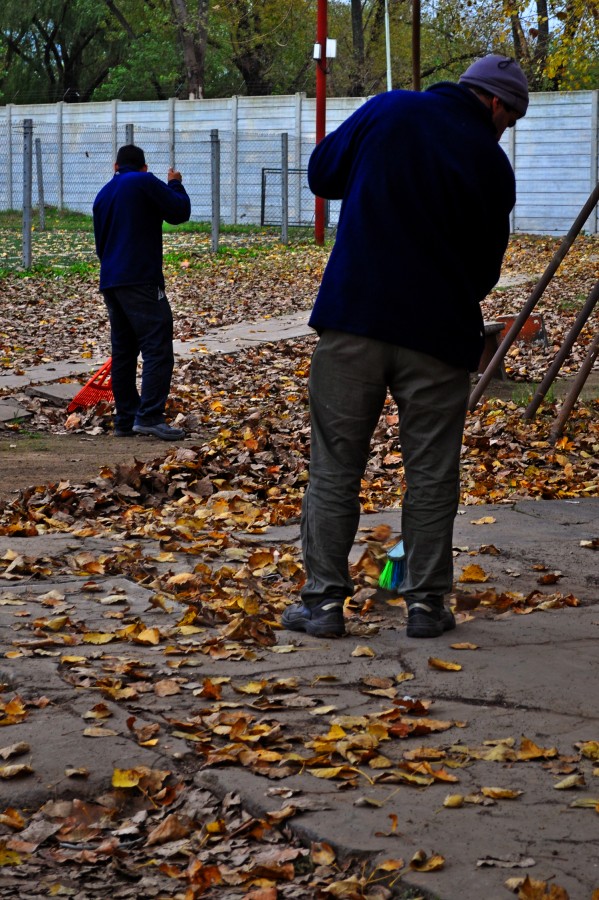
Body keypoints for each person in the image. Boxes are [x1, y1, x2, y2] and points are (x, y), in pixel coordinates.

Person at [281, 55, 529, 639]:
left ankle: (321, 603)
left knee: (335, 466)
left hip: (354, 320)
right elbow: (486, 269)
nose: (505, 129)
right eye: (510, 117)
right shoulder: (492, 166)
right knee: (432, 473)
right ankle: (425, 604)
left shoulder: (388, 109)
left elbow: (323, 174)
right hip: (439, 337)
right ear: (492, 102)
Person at [93, 144, 191, 440]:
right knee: (157, 346)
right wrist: (175, 183)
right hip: (141, 278)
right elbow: (178, 212)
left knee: (123, 352)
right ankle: (149, 416)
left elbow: (101, 243)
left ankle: (125, 418)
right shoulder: (144, 181)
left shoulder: (103, 195)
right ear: (144, 167)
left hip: (112, 280)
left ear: (115, 167)